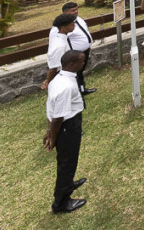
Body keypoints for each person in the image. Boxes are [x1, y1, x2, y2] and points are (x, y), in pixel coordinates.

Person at [43, 50, 87, 214]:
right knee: (67, 164)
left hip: (66, 124)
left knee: (69, 161)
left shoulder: (59, 78)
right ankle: (61, 203)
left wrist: (50, 131)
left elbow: (51, 108)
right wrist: (53, 137)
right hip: (67, 127)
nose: (83, 64)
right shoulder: (66, 87)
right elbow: (58, 118)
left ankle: (68, 184)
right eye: (81, 61)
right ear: (71, 64)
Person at [61, 2, 96, 95]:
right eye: (73, 10)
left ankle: (82, 89)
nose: (76, 12)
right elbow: (63, 41)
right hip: (75, 53)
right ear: (65, 13)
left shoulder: (78, 19)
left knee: (80, 72)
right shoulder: (64, 25)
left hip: (85, 51)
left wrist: (88, 45)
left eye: (76, 9)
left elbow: (84, 31)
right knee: (75, 73)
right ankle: (76, 92)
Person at [42, 13, 77, 90]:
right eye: (72, 24)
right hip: (62, 80)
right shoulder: (60, 45)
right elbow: (53, 69)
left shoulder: (62, 39)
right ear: (63, 28)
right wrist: (49, 82)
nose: (74, 25)